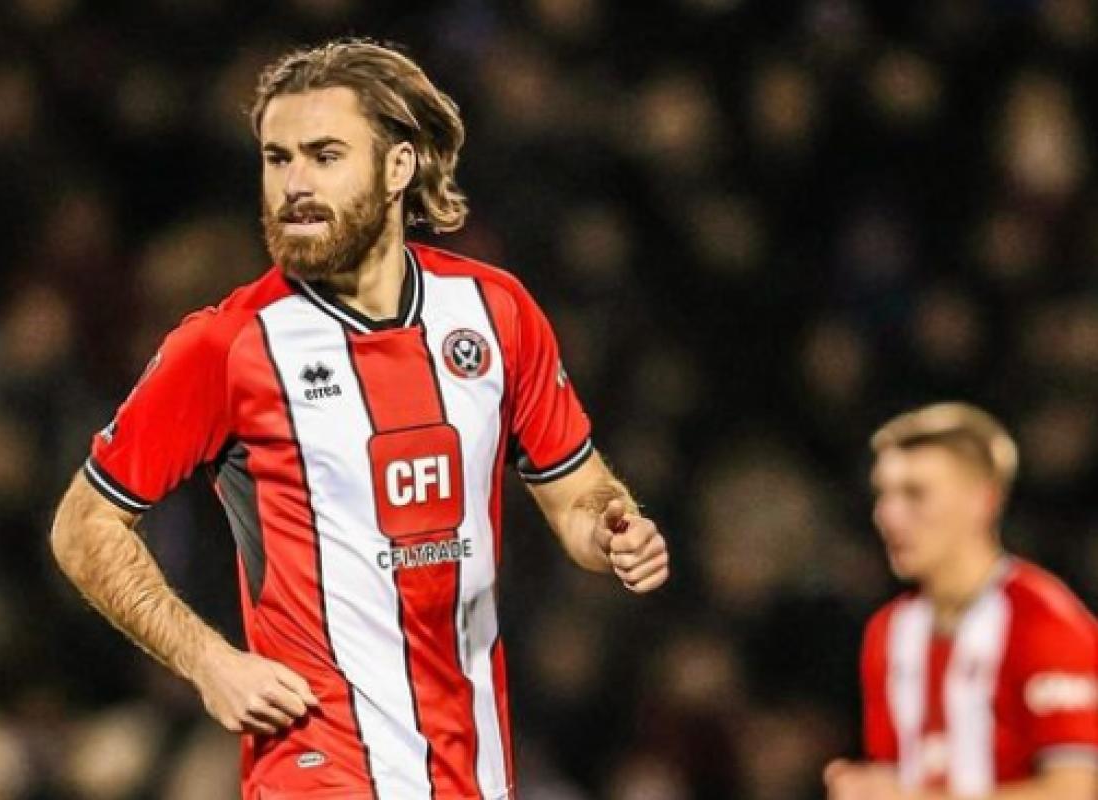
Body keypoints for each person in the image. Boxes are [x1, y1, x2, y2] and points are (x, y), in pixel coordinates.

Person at [49, 39, 670, 800]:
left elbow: (576, 494)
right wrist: (209, 662)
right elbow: (84, 524)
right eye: (277, 159)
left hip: (472, 769)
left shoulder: (494, 311)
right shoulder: (228, 346)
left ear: (397, 167)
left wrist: (614, 530)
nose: (294, 184)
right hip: (317, 769)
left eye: (324, 156)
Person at [825, 403, 1098, 800]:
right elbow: (897, 778)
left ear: (982, 500)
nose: (889, 515)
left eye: (915, 494)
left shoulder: (1044, 621)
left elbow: (1076, 792)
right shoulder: (887, 632)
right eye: (883, 494)